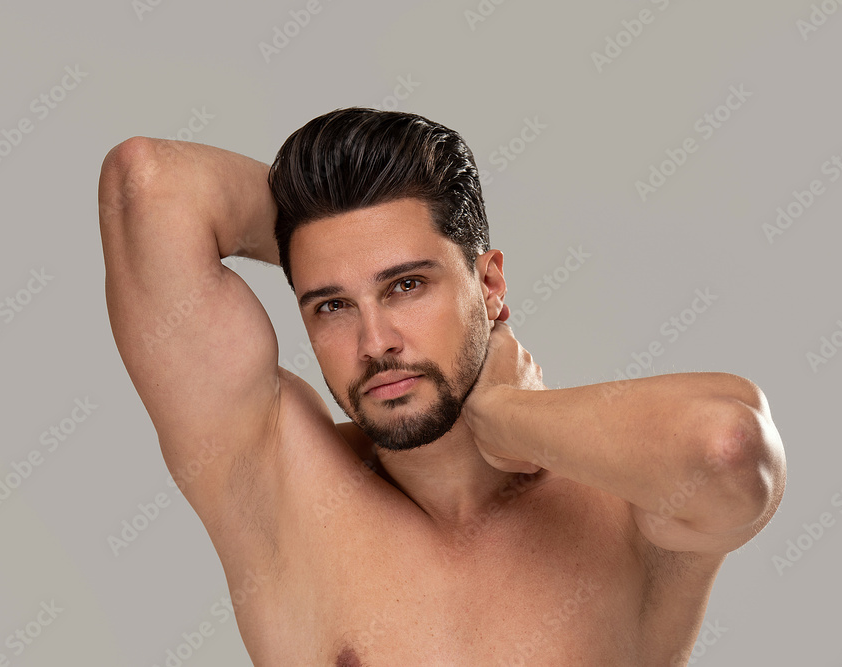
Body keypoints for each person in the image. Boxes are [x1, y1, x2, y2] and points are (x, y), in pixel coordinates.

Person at [98, 107, 786, 666]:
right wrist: (336, 245)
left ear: (489, 285)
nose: (374, 342)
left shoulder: (626, 506)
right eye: (331, 303)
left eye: (407, 284)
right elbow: (147, 184)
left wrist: (505, 414)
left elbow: (728, 449)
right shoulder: (278, 486)